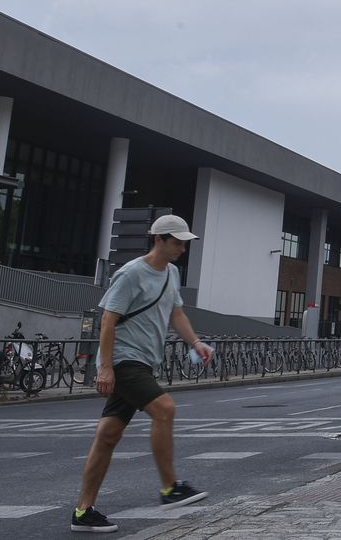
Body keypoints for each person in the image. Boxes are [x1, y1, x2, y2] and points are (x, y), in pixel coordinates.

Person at [70, 214, 213, 533]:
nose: (182, 249)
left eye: (184, 244)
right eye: (177, 243)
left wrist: (196, 342)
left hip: (145, 362)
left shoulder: (171, 273)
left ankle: (83, 511)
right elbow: (108, 320)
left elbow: (176, 314)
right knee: (165, 409)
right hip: (124, 360)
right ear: (158, 239)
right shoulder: (131, 273)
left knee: (107, 435)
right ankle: (170, 488)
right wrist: (105, 367)